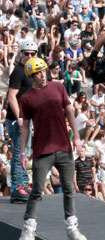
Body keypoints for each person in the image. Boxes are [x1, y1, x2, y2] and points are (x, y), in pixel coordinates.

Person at [18, 57, 86, 240]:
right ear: (32, 76)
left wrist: (78, 139)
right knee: (37, 190)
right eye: (38, 73)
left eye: (43, 71)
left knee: (69, 188)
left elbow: (70, 111)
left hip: (64, 146)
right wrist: (22, 152)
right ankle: (28, 229)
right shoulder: (26, 98)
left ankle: (72, 229)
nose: (42, 75)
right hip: (42, 150)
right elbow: (24, 127)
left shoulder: (58, 87)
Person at [5, 40, 38, 203]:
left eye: (33, 53)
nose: (30, 56)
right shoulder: (18, 71)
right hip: (16, 120)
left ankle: (22, 185)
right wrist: (19, 117)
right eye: (27, 53)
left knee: (23, 154)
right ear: (21, 53)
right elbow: (11, 96)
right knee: (19, 154)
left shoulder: (30, 71)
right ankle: (18, 187)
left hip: (26, 119)